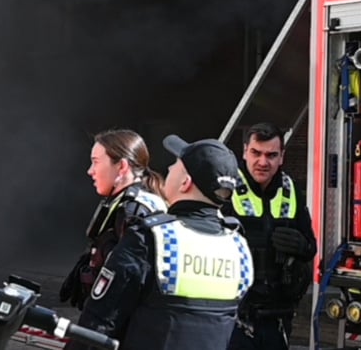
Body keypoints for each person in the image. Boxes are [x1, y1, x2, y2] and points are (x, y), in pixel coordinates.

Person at [67, 135, 253, 350]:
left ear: (186, 182)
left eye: (175, 165)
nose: (168, 168)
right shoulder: (239, 247)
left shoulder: (151, 238)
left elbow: (97, 326)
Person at [227, 122, 317, 350]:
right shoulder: (225, 189)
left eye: (271, 155)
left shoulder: (291, 190)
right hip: (235, 315)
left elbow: (311, 248)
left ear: (282, 157)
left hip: (278, 314)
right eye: (256, 153)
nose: (263, 162)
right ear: (244, 151)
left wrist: (300, 245)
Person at [60, 129, 167, 310]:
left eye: (95, 162)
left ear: (122, 167)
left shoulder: (135, 211)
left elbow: (130, 282)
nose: (90, 171)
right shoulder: (131, 203)